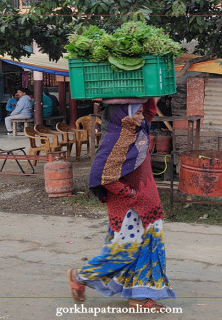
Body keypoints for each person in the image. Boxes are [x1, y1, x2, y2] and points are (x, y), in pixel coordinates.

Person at [66, 98, 176, 312]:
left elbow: (150, 111)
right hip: (129, 208)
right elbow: (104, 176)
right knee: (125, 251)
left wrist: (149, 95)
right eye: (136, 113)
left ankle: (139, 297)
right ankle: (81, 276)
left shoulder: (138, 129)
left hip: (148, 203)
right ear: (123, 115)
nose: (141, 116)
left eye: (141, 112)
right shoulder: (117, 139)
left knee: (148, 248)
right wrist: (131, 194)